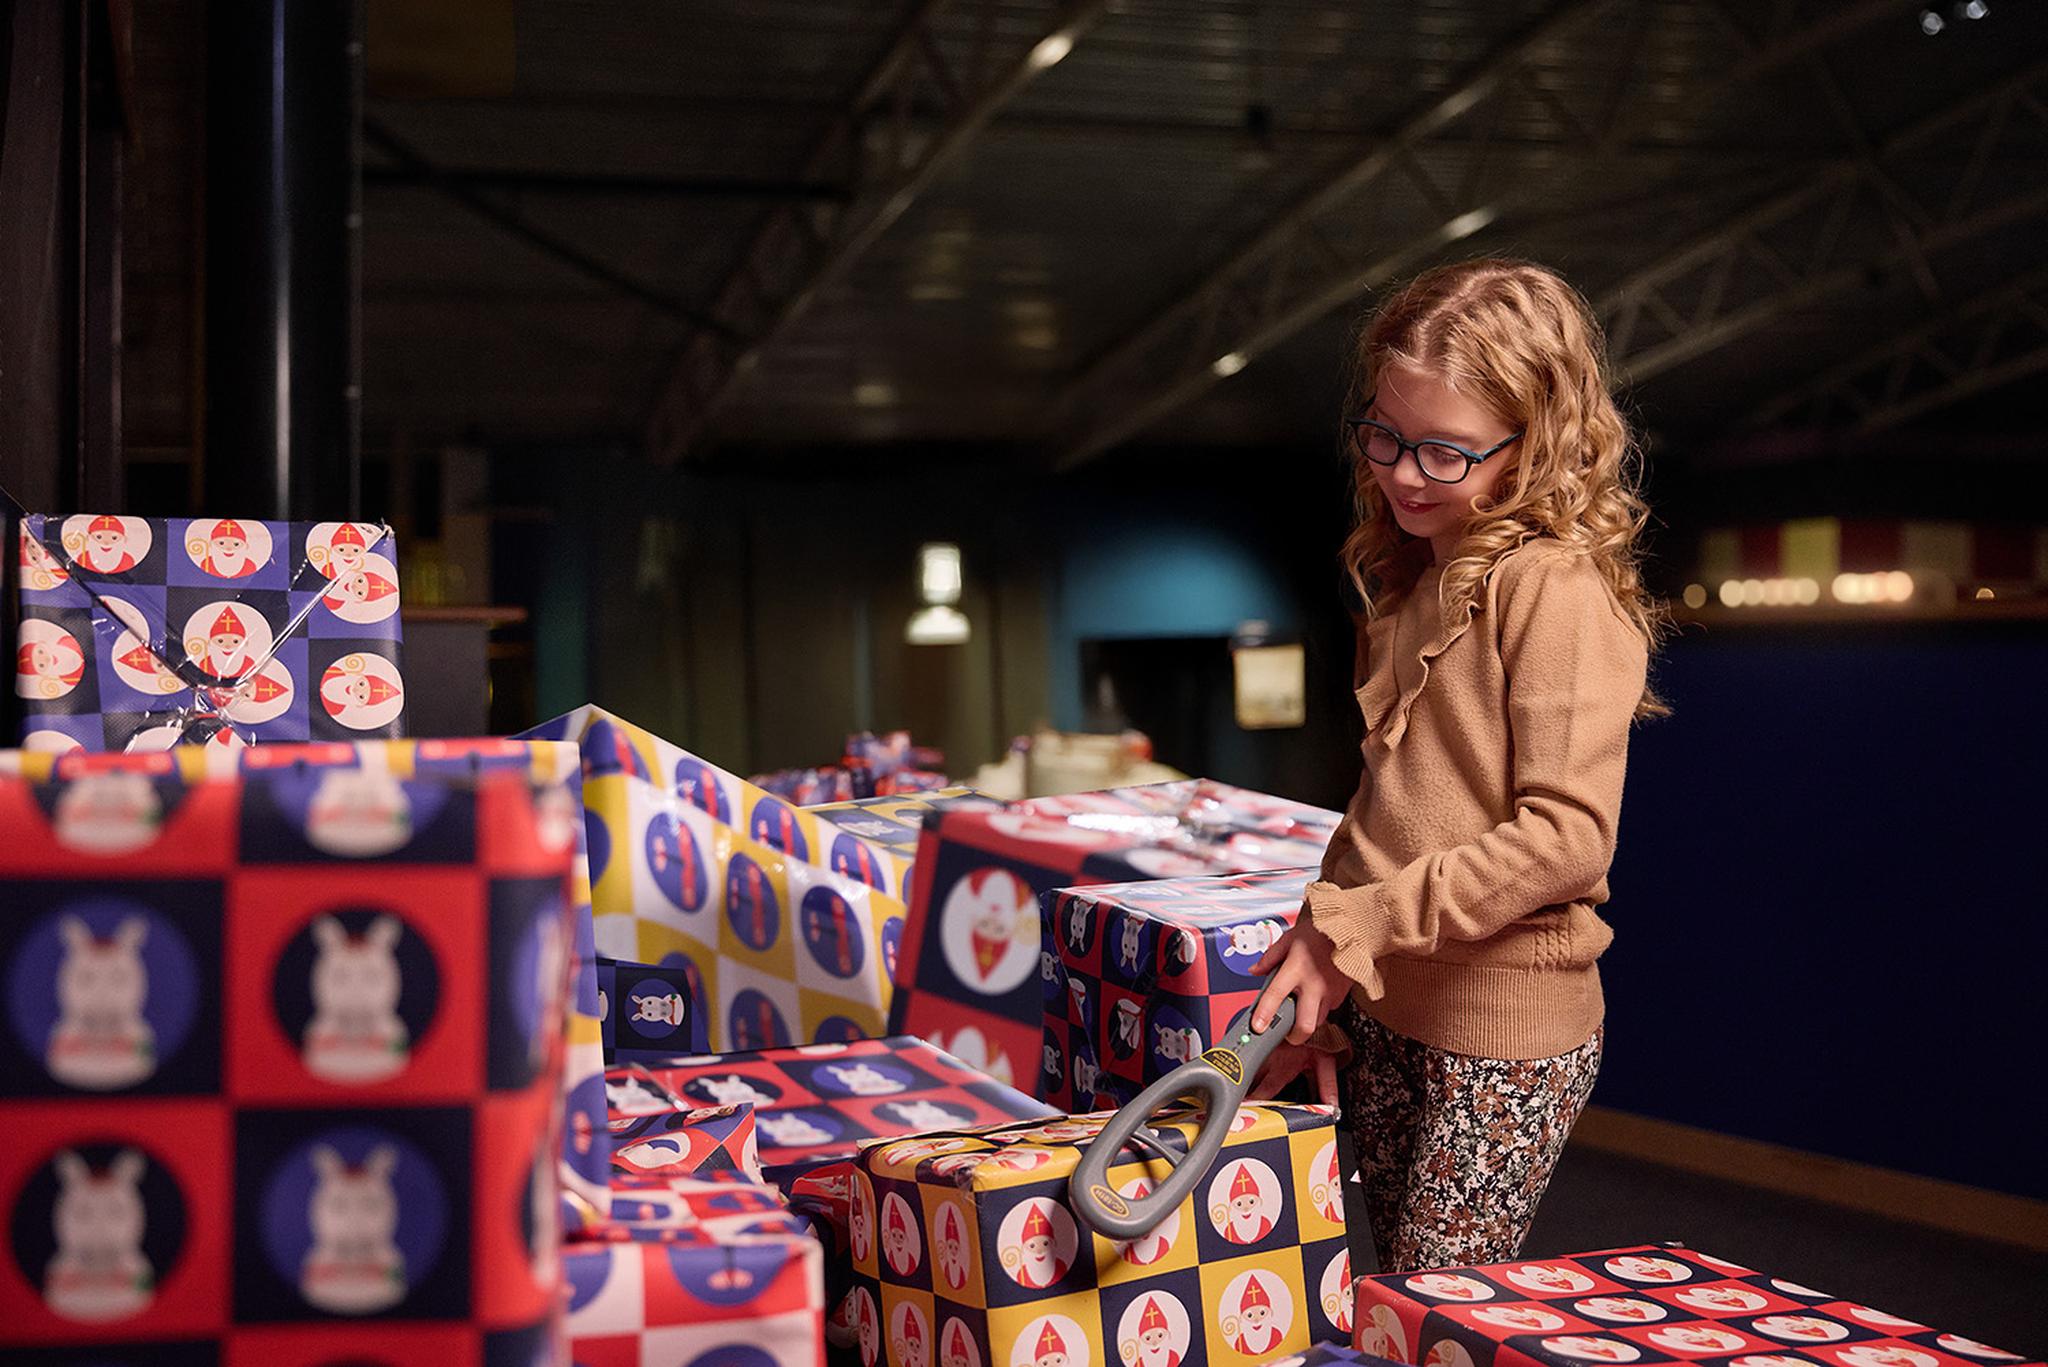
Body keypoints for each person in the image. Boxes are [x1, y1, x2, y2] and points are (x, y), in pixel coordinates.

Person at [1248, 257, 1668, 1273]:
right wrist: (1330, 947)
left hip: (1501, 1031)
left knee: (1434, 1314)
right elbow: (1394, 802)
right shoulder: (1416, 571)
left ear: (1539, 444)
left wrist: (1357, 923)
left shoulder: (1553, 589)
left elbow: (1565, 839)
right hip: (1389, 1002)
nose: (1401, 474)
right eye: (1385, 435)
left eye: (1444, 451)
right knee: (1383, 1294)